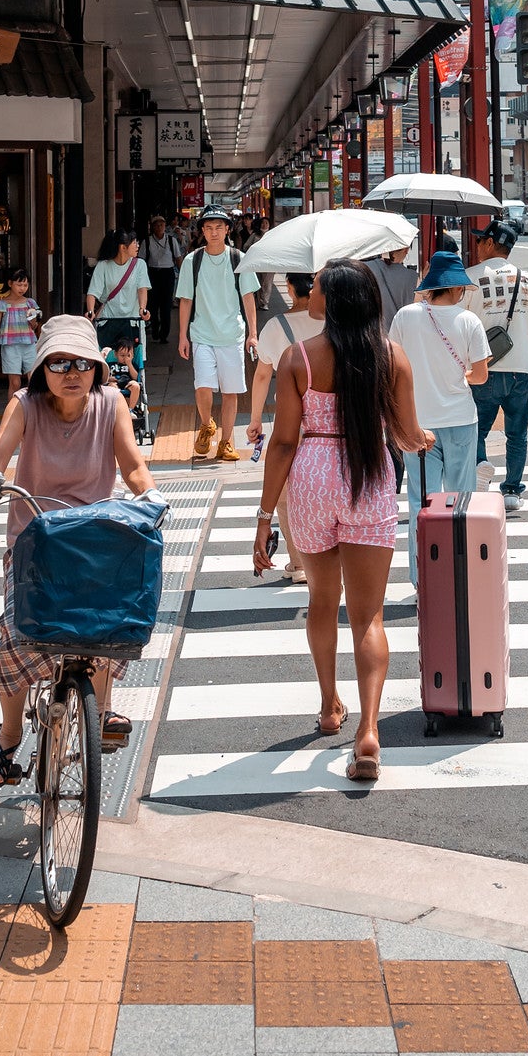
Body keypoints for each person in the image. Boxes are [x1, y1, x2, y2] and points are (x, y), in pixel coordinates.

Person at [252, 261, 432, 783]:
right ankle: (369, 731)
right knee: (368, 618)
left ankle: (330, 705)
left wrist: (265, 516)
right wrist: (427, 442)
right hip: (368, 479)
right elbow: (406, 435)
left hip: (311, 479)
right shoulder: (391, 357)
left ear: (331, 302)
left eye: (318, 289)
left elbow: (283, 442)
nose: (311, 294)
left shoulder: (297, 359)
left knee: (322, 602)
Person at [0, 315, 157, 786]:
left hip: (95, 540)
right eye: (59, 363)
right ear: (40, 370)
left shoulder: (110, 402)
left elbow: (132, 463)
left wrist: (148, 495)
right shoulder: (25, 405)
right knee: (15, 638)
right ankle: (9, 737)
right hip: (35, 543)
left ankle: (102, 707)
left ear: (98, 368)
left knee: (111, 626)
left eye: (82, 363)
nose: (72, 372)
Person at [388, 252, 490, 583]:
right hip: (460, 418)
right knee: (461, 497)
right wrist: (461, 376)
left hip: (417, 422)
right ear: (458, 288)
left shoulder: (405, 317)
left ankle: (424, 578)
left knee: (422, 500)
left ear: (431, 285)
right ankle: (461, 574)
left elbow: (392, 364)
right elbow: (481, 376)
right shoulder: (469, 321)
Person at [464, 220, 528, 514]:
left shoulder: (470, 278)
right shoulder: (526, 280)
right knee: (517, 434)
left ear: (490, 243)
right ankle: (512, 491)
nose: (477, 245)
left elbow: (460, 324)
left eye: (480, 241)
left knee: (476, 430)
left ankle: (480, 466)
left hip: (483, 368)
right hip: (520, 371)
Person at [244, 271, 321, 576]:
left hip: (291, 420)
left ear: (289, 288)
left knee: (287, 491)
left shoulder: (276, 326)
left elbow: (263, 375)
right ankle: (325, 557)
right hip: (329, 421)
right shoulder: (334, 321)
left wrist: (254, 419)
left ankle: (299, 560)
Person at [176, 210, 260, 461]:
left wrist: (253, 334)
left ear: (227, 230)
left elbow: (248, 298)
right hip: (201, 334)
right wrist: (183, 336)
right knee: (202, 385)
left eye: (218, 227)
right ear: (202, 231)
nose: (214, 232)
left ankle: (225, 442)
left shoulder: (238, 259)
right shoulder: (193, 260)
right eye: (209, 228)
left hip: (232, 334)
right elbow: (185, 300)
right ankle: (206, 424)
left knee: (230, 392)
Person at [86, 230, 151, 359]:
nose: (137, 245)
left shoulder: (139, 265)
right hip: (108, 320)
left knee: (134, 360)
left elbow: (142, 289)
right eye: (134, 242)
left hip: (132, 321)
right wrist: (90, 311)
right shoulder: (103, 265)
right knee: (106, 358)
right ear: (123, 247)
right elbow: (92, 292)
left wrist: (142, 309)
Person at [0, 269, 41, 398]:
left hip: (29, 344)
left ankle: (34, 410)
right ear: (10, 283)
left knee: (33, 379)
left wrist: (33, 317)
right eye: (19, 284)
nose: (22, 288)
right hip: (10, 346)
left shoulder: (30, 303)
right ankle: (13, 412)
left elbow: (34, 326)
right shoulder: (1, 304)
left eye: (25, 285)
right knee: (15, 382)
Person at [140, 214, 182, 344]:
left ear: (165, 226)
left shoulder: (171, 240)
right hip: (152, 273)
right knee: (152, 304)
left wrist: (182, 274)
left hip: (167, 274)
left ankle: (164, 334)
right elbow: (141, 260)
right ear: (152, 227)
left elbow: (178, 257)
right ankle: (155, 329)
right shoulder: (146, 241)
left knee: (166, 305)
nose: (159, 227)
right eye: (157, 225)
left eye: (162, 225)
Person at [367, 246, 416, 332]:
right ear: (406, 250)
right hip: (400, 335)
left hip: (374, 335)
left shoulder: (366, 268)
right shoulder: (413, 277)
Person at [108, 332, 142, 421]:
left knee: (136, 385)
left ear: (132, 355)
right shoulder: (111, 364)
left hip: (128, 383)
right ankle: (115, 410)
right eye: (122, 355)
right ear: (115, 355)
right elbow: (104, 376)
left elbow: (135, 377)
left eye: (128, 355)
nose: (125, 358)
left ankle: (130, 410)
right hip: (115, 383)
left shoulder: (132, 365)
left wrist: (129, 363)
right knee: (111, 386)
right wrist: (109, 378)